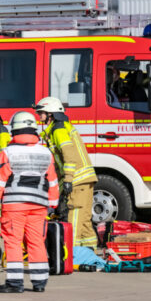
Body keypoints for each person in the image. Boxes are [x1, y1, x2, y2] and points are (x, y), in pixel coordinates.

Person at [0, 112, 59, 293]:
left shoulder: (8, 152)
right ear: (34, 129)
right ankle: (40, 282)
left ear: (14, 130)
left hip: (14, 205)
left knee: (13, 241)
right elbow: (53, 181)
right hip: (39, 205)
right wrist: (53, 203)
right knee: (36, 241)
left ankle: (14, 283)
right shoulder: (45, 153)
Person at [34, 96, 98, 248]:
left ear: (51, 113)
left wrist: (68, 179)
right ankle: (89, 252)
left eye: (41, 112)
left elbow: (69, 155)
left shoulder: (58, 130)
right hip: (84, 179)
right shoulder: (62, 128)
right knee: (85, 219)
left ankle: (71, 252)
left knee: (74, 215)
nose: (39, 116)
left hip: (77, 179)